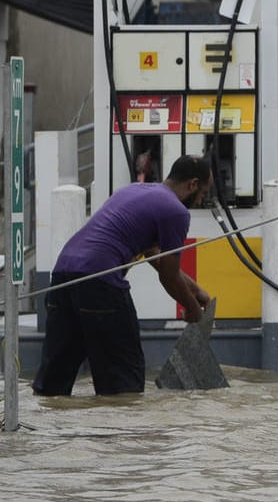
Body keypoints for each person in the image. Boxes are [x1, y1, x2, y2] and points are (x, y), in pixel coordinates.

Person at [33, 154, 214, 397]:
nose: (201, 200)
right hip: (101, 282)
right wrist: (192, 308)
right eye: (203, 193)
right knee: (123, 384)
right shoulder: (176, 212)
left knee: (54, 379)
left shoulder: (132, 191)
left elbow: (153, 254)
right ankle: (121, 435)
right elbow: (168, 277)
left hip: (64, 276)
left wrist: (195, 289)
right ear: (192, 184)